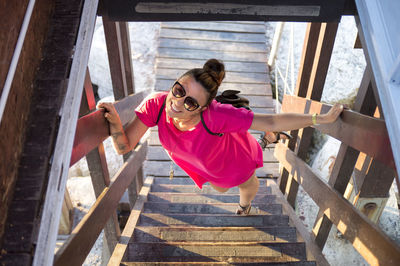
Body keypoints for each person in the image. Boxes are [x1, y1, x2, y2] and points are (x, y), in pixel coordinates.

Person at [97, 59, 343, 215]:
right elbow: (123, 147)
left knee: (246, 184)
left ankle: (245, 206)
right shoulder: (156, 105)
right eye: (179, 90)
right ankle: (266, 140)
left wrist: (319, 119)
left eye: (191, 102)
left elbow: (271, 120)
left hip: (234, 159)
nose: (178, 102)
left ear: (204, 108)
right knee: (220, 187)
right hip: (203, 164)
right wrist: (117, 125)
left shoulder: (217, 115)